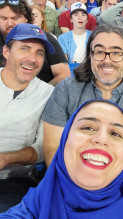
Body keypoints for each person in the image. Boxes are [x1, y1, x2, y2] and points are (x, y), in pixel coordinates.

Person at [0, 100, 123, 219]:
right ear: (64, 142)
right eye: (88, 128)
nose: (102, 139)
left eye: (116, 133)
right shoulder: (30, 210)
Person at [42, 23, 123, 167]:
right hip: (68, 173)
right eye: (99, 52)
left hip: (115, 174)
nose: (107, 61)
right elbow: (53, 148)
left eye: (116, 53)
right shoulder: (65, 89)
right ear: (90, 56)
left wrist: (102, 182)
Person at [0, 23, 55, 212]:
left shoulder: (48, 94)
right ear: (6, 51)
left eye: (40, 53)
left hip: (14, 179)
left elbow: (41, 148)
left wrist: (5, 159)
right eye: (25, 48)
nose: (32, 59)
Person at [0, 0, 70, 86]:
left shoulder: (45, 38)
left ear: (26, 18)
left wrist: (38, 95)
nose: (10, 23)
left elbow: (64, 75)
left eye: (15, 18)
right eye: (3, 18)